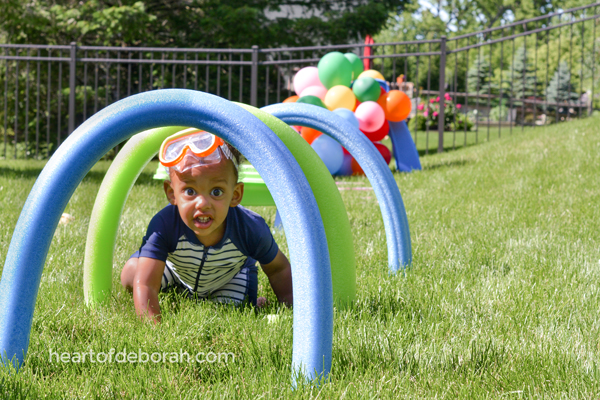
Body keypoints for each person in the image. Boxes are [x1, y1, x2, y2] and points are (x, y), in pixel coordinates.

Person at [120, 128, 293, 323]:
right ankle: (182, 290)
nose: (202, 203)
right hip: (180, 273)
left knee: (229, 317)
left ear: (235, 195)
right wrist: (153, 329)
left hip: (229, 278)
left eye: (217, 192)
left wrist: (291, 307)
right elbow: (145, 285)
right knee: (132, 273)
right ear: (171, 193)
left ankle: (247, 301)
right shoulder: (164, 224)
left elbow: (279, 269)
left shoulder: (250, 228)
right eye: (190, 191)